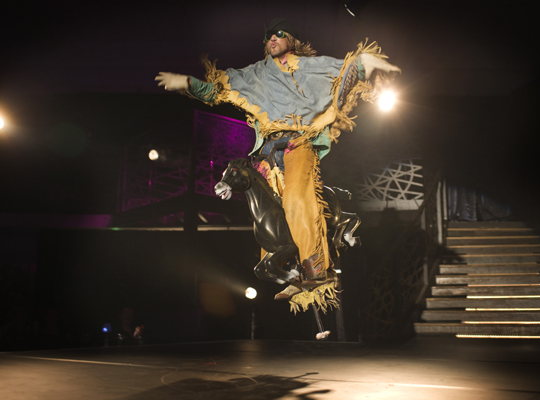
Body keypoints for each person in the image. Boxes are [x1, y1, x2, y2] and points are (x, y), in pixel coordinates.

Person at [155, 18, 399, 306]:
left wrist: (364, 64)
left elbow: (341, 72)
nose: (272, 38)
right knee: (271, 216)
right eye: (268, 35)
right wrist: (187, 84)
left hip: (297, 142)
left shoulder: (306, 66)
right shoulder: (256, 74)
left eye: (279, 34)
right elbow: (217, 90)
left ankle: (317, 267)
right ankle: (292, 271)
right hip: (268, 154)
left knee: (297, 199)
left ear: (291, 41)